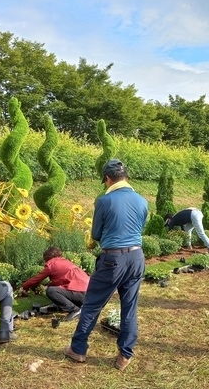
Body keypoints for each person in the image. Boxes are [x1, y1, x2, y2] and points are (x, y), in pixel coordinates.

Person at [63, 159, 148, 371]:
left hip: (113, 259)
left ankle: (78, 349)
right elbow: (140, 227)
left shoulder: (104, 200)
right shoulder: (142, 200)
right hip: (137, 257)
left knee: (92, 304)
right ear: (126, 178)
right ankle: (124, 356)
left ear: (108, 179)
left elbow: (96, 234)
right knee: (129, 307)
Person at [19, 246, 90, 321]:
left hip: (82, 293)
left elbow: (37, 279)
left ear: (47, 258)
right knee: (53, 289)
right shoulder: (65, 262)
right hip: (89, 294)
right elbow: (61, 281)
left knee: (51, 291)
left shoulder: (51, 265)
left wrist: (24, 287)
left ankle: (75, 310)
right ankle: (71, 306)